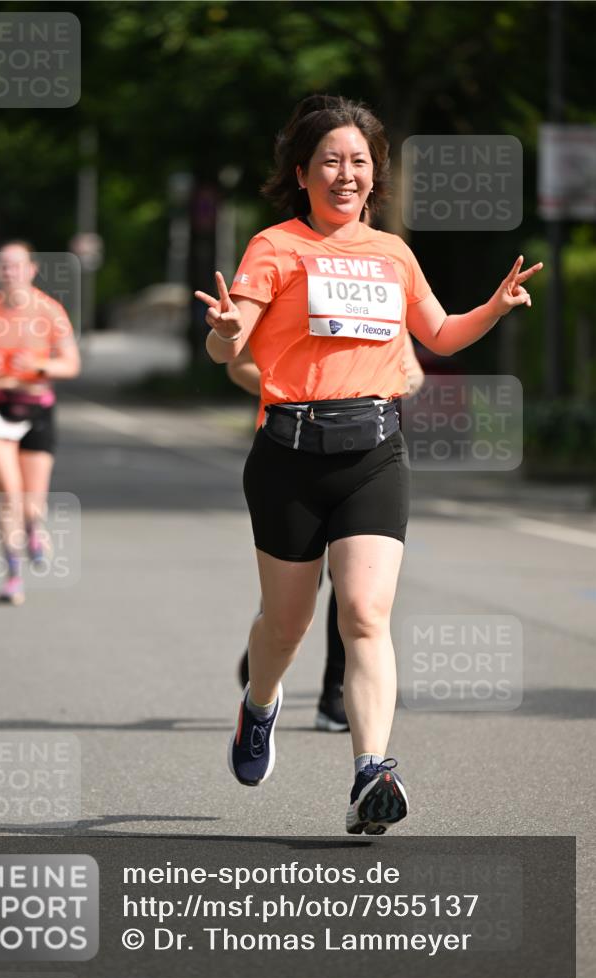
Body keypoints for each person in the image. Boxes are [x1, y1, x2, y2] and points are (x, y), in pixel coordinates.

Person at [195, 94, 541, 835]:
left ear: (373, 175)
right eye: (330, 160)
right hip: (287, 454)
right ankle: (258, 706)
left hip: (374, 453)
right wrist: (226, 334)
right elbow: (228, 347)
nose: (345, 174)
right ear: (302, 172)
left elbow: (440, 336)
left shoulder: (392, 253)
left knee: (364, 614)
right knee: (284, 627)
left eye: (358, 162)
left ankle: (370, 773)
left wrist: (495, 306)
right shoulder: (274, 246)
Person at [227, 335, 425, 732]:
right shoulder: (289, 289)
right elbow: (238, 364)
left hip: (364, 451)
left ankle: (334, 692)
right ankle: (269, 642)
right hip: (291, 448)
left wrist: (370, 385)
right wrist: (302, 390)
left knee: (356, 590)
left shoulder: (377, 296)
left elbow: (413, 372)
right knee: (300, 587)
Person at [0, 241, 81, 605]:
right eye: (4, 266)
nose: (10, 272)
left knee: (31, 503)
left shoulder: (50, 311)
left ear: (32, 269)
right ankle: (13, 576)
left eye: (17, 265)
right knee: (9, 493)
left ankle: (34, 527)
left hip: (36, 408)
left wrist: (37, 367)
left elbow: (70, 364)